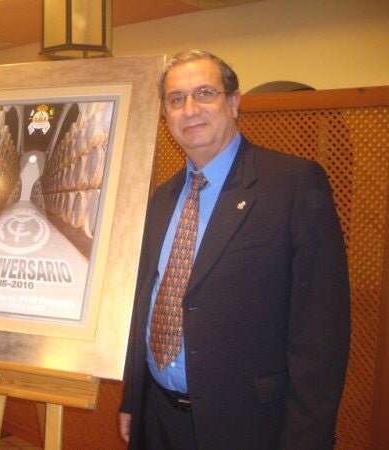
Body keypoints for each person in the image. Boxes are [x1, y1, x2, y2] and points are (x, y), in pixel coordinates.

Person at [119, 51, 350, 450]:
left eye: (205, 93)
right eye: (176, 99)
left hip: (248, 426)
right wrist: (132, 400)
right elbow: (147, 304)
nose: (190, 109)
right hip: (157, 418)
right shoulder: (161, 199)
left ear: (234, 101)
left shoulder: (293, 186)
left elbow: (321, 334)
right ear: (165, 114)